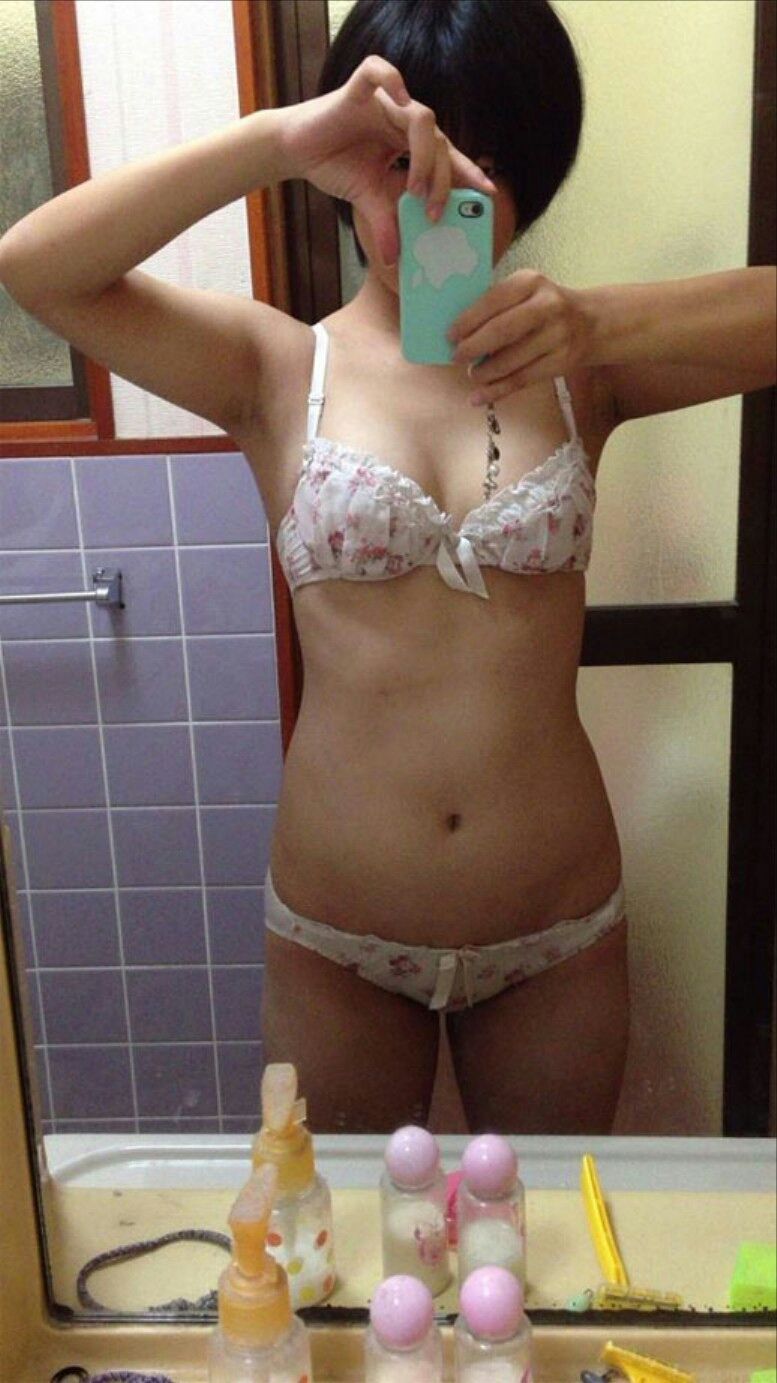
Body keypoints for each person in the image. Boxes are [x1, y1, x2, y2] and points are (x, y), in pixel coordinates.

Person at [1, 1, 773, 1134]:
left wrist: (598, 322)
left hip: (555, 928)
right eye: (408, 157)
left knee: (545, 1237)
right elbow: (36, 269)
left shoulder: (584, 368)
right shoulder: (274, 368)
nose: (442, 191)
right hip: (339, 942)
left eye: (485, 159)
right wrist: (280, 138)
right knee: (345, 1243)